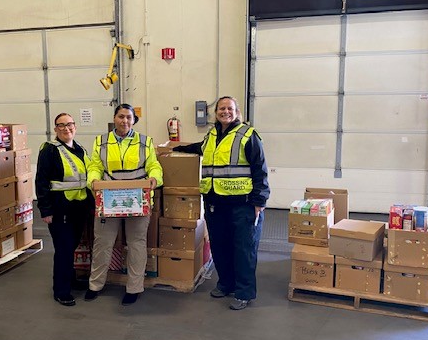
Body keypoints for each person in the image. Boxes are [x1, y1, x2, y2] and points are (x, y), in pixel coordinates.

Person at [173, 96, 270, 310]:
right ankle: (226, 284)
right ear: (215, 112)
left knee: (244, 249)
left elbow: (260, 169)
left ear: (237, 111)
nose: (225, 111)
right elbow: (201, 149)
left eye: (230, 108)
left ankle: (244, 292)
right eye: (221, 108)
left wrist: (259, 201)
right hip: (215, 203)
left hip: (243, 205)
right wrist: (180, 148)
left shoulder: (248, 135)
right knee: (220, 246)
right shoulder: (212, 135)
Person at [85, 103, 163, 306]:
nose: (125, 121)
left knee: (136, 244)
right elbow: (95, 165)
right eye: (121, 116)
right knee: (102, 243)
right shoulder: (101, 142)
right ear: (114, 118)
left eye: (129, 117)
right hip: (108, 200)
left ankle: (134, 288)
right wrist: (93, 180)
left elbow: (154, 165)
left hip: (137, 200)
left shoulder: (145, 142)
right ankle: (95, 285)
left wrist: (155, 179)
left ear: (134, 120)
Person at [35, 113, 94, 307]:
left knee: (72, 247)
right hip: (60, 209)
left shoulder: (80, 149)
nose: (66, 128)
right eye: (61, 125)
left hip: (79, 207)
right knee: (63, 249)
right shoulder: (49, 151)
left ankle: (71, 280)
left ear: (75, 126)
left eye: (69, 124)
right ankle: (61, 291)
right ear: (56, 129)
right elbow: (41, 182)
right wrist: (45, 211)